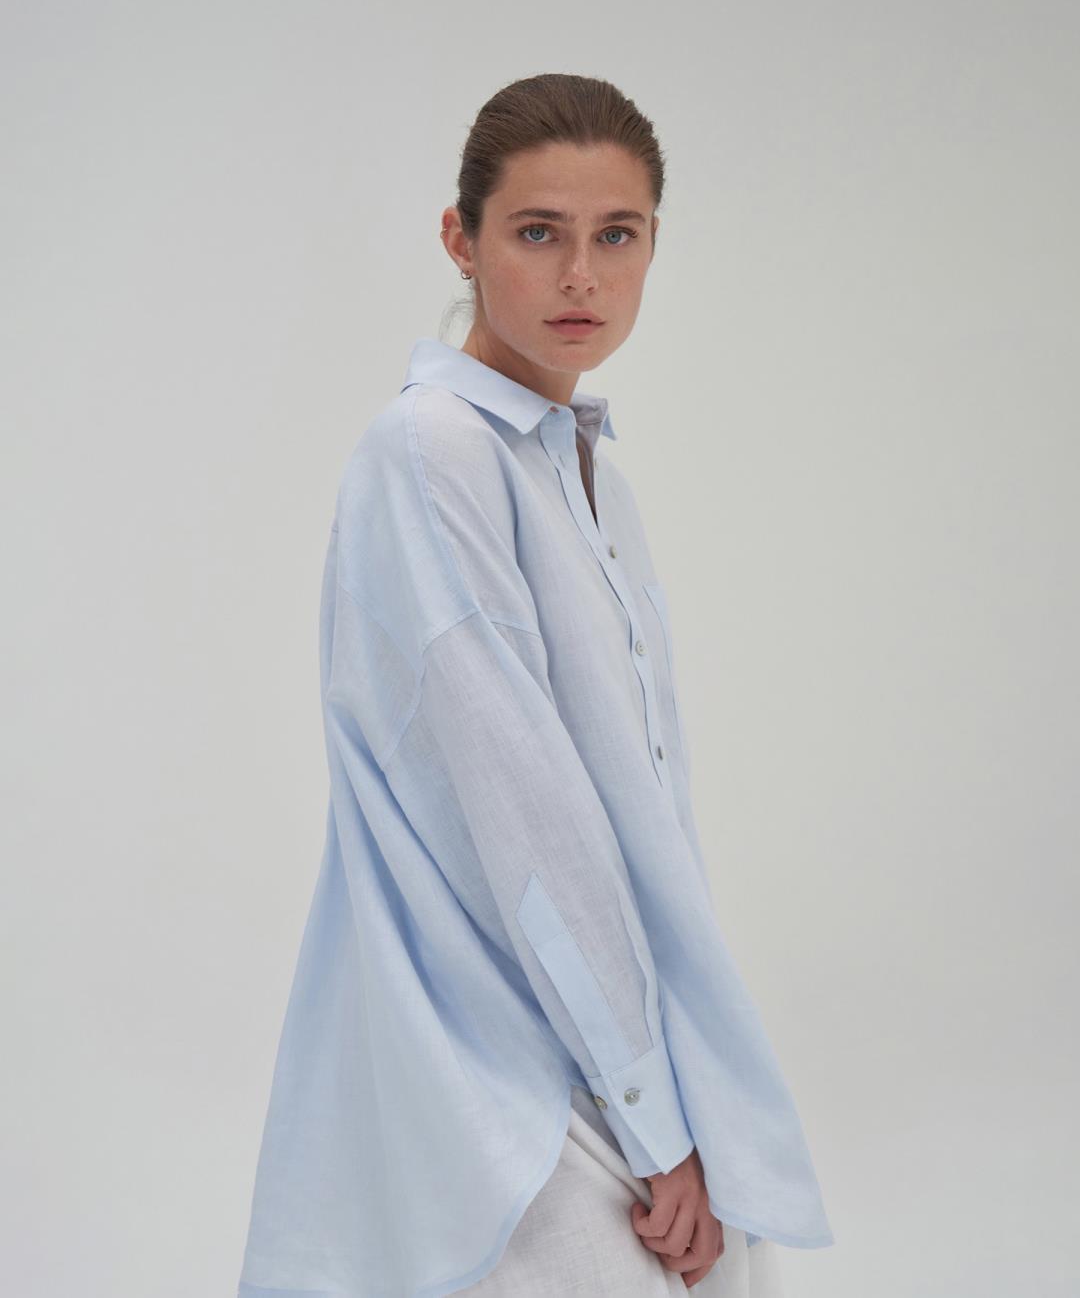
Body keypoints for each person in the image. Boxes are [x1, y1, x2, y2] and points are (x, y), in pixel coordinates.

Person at [236, 73, 834, 1298]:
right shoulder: (434, 453)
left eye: (616, 235)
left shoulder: (581, 467)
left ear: (654, 245)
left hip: (617, 1051)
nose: (580, 277)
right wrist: (651, 1120)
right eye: (537, 232)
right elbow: (530, 822)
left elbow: (638, 817)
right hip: (505, 1076)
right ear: (460, 240)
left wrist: (680, 1086)